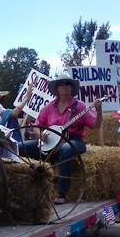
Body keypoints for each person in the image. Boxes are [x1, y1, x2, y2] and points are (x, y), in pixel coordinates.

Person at [18, 74, 103, 204]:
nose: (64, 86)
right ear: (57, 88)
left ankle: (61, 193)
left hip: (74, 141)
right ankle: (20, 187)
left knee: (66, 149)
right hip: (49, 143)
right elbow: (37, 125)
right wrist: (40, 134)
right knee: (19, 146)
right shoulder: (48, 107)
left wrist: (99, 111)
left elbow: (95, 125)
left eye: (67, 83)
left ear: (71, 88)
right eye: (60, 84)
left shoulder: (80, 107)